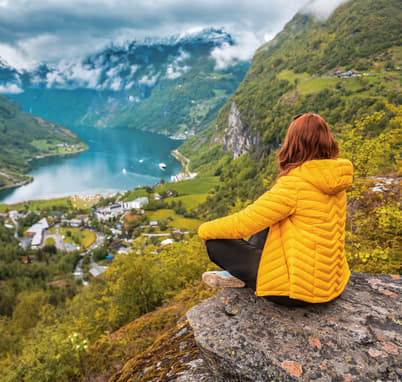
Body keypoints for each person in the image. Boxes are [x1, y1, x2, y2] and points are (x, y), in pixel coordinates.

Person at [198, 113, 353, 307]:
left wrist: (204, 230)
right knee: (272, 220)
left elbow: (243, 224)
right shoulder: (336, 179)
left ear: (293, 144)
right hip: (330, 284)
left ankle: (246, 277)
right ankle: (242, 276)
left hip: (296, 291)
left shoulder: (295, 184)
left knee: (215, 243)